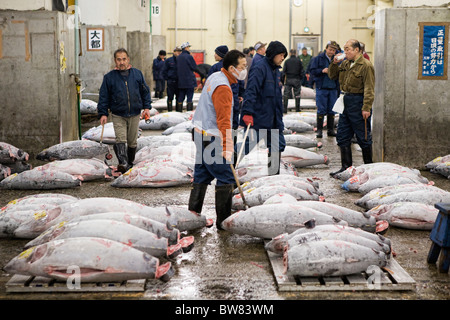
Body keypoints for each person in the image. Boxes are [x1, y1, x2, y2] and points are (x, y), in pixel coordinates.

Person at [189, 50, 247, 230]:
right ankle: (224, 222)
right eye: (242, 67)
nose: (245, 70)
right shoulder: (223, 88)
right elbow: (223, 121)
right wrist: (227, 146)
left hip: (200, 132)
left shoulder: (215, 76)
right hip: (212, 137)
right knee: (226, 176)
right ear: (232, 68)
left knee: (203, 174)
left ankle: (192, 215)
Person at [97, 48, 152, 174]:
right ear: (115, 61)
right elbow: (104, 97)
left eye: (124, 59)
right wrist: (103, 113)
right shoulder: (109, 77)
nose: (121, 62)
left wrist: (147, 108)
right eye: (119, 59)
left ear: (128, 60)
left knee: (132, 141)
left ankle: (130, 163)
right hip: (118, 114)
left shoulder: (137, 74)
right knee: (120, 139)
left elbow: (145, 92)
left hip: (135, 113)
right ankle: (123, 163)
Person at [238, 40, 288, 176]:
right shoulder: (260, 68)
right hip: (259, 117)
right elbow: (251, 91)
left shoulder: (276, 71)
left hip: (274, 119)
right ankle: (229, 174)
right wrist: (247, 112)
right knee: (246, 147)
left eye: (284, 55)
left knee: (277, 146)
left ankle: (273, 177)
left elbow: (277, 97)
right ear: (273, 54)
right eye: (281, 55)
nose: (283, 58)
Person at [328, 39, 375, 177]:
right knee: (342, 135)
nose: (345, 52)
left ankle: (369, 168)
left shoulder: (366, 66)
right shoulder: (346, 63)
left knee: (363, 137)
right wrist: (334, 63)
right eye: (344, 49)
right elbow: (332, 76)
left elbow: (369, 88)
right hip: (345, 100)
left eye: (348, 49)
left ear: (357, 50)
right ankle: (346, 168)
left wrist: (366, 107)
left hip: (358, 102)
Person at [309, 40, 340, 138]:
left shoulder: (337, 60)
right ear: (326, 49)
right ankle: (319, 131)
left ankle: (330, 130)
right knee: (321, 109)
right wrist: (322, 70)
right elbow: (312, 70)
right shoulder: (318, 59)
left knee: (332, 110)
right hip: (321, 87)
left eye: (334, 50)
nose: (331, 52)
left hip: (333, 88)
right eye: (330, 49)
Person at [176, 42, 197, 112]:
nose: (189, 49)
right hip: (189, 81)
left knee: (180, 98)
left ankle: (179, 112)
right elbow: (194, 67)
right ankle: (189, 112)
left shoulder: (178, 57)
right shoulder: (189, 57)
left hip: (181, 82)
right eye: (188, 47)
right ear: (186, 48)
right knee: (189, 98)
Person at [282, 49, 304, 113]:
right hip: (297, 79)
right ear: (296, 53)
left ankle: (285, 109)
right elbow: (302, 72)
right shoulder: (299, 61)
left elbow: (283, 72)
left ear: (290, 53)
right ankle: (297, 109)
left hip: (288, 79)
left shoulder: (287, 61)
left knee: (286, 95)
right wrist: (300, 79)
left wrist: (283, 81)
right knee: (297, 94)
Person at [162, 46, 182, 112]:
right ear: (174, 52)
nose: (178, 53)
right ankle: (170, 111)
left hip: (179, 82)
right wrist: (167, 78)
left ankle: (178, 111)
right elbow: (164, 70)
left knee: (179, 97)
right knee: (170, 97)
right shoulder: (169, 60)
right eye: (177, 51)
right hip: (171, 81)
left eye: (179, 51)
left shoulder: (182, 60)